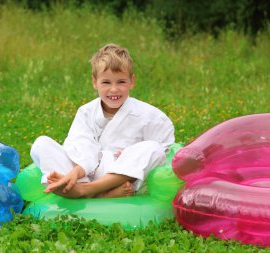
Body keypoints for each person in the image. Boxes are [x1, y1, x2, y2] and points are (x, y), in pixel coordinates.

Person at [30, 43, 175, 199]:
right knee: (41, 144)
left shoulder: (151, 116)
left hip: (120, 177)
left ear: (131, 81)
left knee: (154, 148)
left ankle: (86, 191)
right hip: (84, 173)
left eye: (121, 82)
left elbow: (160, 155)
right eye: (106, 82)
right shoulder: (86, 112)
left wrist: (128, 155)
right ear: (95, 82)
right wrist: (75, 173)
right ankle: (94, 192)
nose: (114, 89)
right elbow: (81, 146)